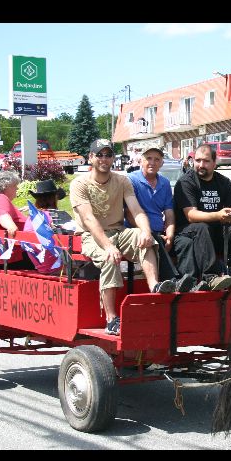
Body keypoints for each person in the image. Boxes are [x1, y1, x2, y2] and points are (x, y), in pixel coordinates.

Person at [70, 139, 180, 337]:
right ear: (91, 157)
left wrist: (146, 232)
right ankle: (112, 319)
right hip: (91, 235)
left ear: (114, 158)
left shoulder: (121, 180)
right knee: (109, 257)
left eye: (108, 155)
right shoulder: (79, 183)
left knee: (145, 238)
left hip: (119, 230)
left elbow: (136, 211)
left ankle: (154, 287)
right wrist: (108, 246)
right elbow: (88, 218)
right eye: (100, 154)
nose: (104, 159)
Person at [173, 143, 231, 289]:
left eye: (205, 161)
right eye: (197, 161)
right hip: (187, 230)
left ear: (214, 162)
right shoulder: (185, 182)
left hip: (216, 231)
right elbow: (191, 215)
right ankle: (211, 277)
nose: (200, 165)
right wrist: (218, 215)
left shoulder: (224, 182)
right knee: (202, 227)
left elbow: (230, 214)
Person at [126, 147, 194, 290]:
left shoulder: (164, 183)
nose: (153, 162)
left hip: (159, 232)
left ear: (162, 163)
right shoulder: (131, 180)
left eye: (157, 159)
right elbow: (129, 213)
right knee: (156, 240)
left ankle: (192, 281)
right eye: (149, 158)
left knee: (186, 242)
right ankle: (173, 280)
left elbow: (169, 212)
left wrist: (170, 234)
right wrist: (147, 232)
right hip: (137, 231)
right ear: (141, 161)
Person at [22, 179, 65, 274]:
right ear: (54, 198)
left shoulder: (31, 218)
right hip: (56, 266)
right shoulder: (54, 216)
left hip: (38, 264)